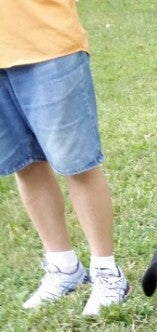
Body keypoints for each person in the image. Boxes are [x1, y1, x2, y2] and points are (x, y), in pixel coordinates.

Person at [0, 0, 129, 315]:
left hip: (48, 44)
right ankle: (63, 266)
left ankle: (107, 272)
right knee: (25, 165)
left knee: (78, 164)